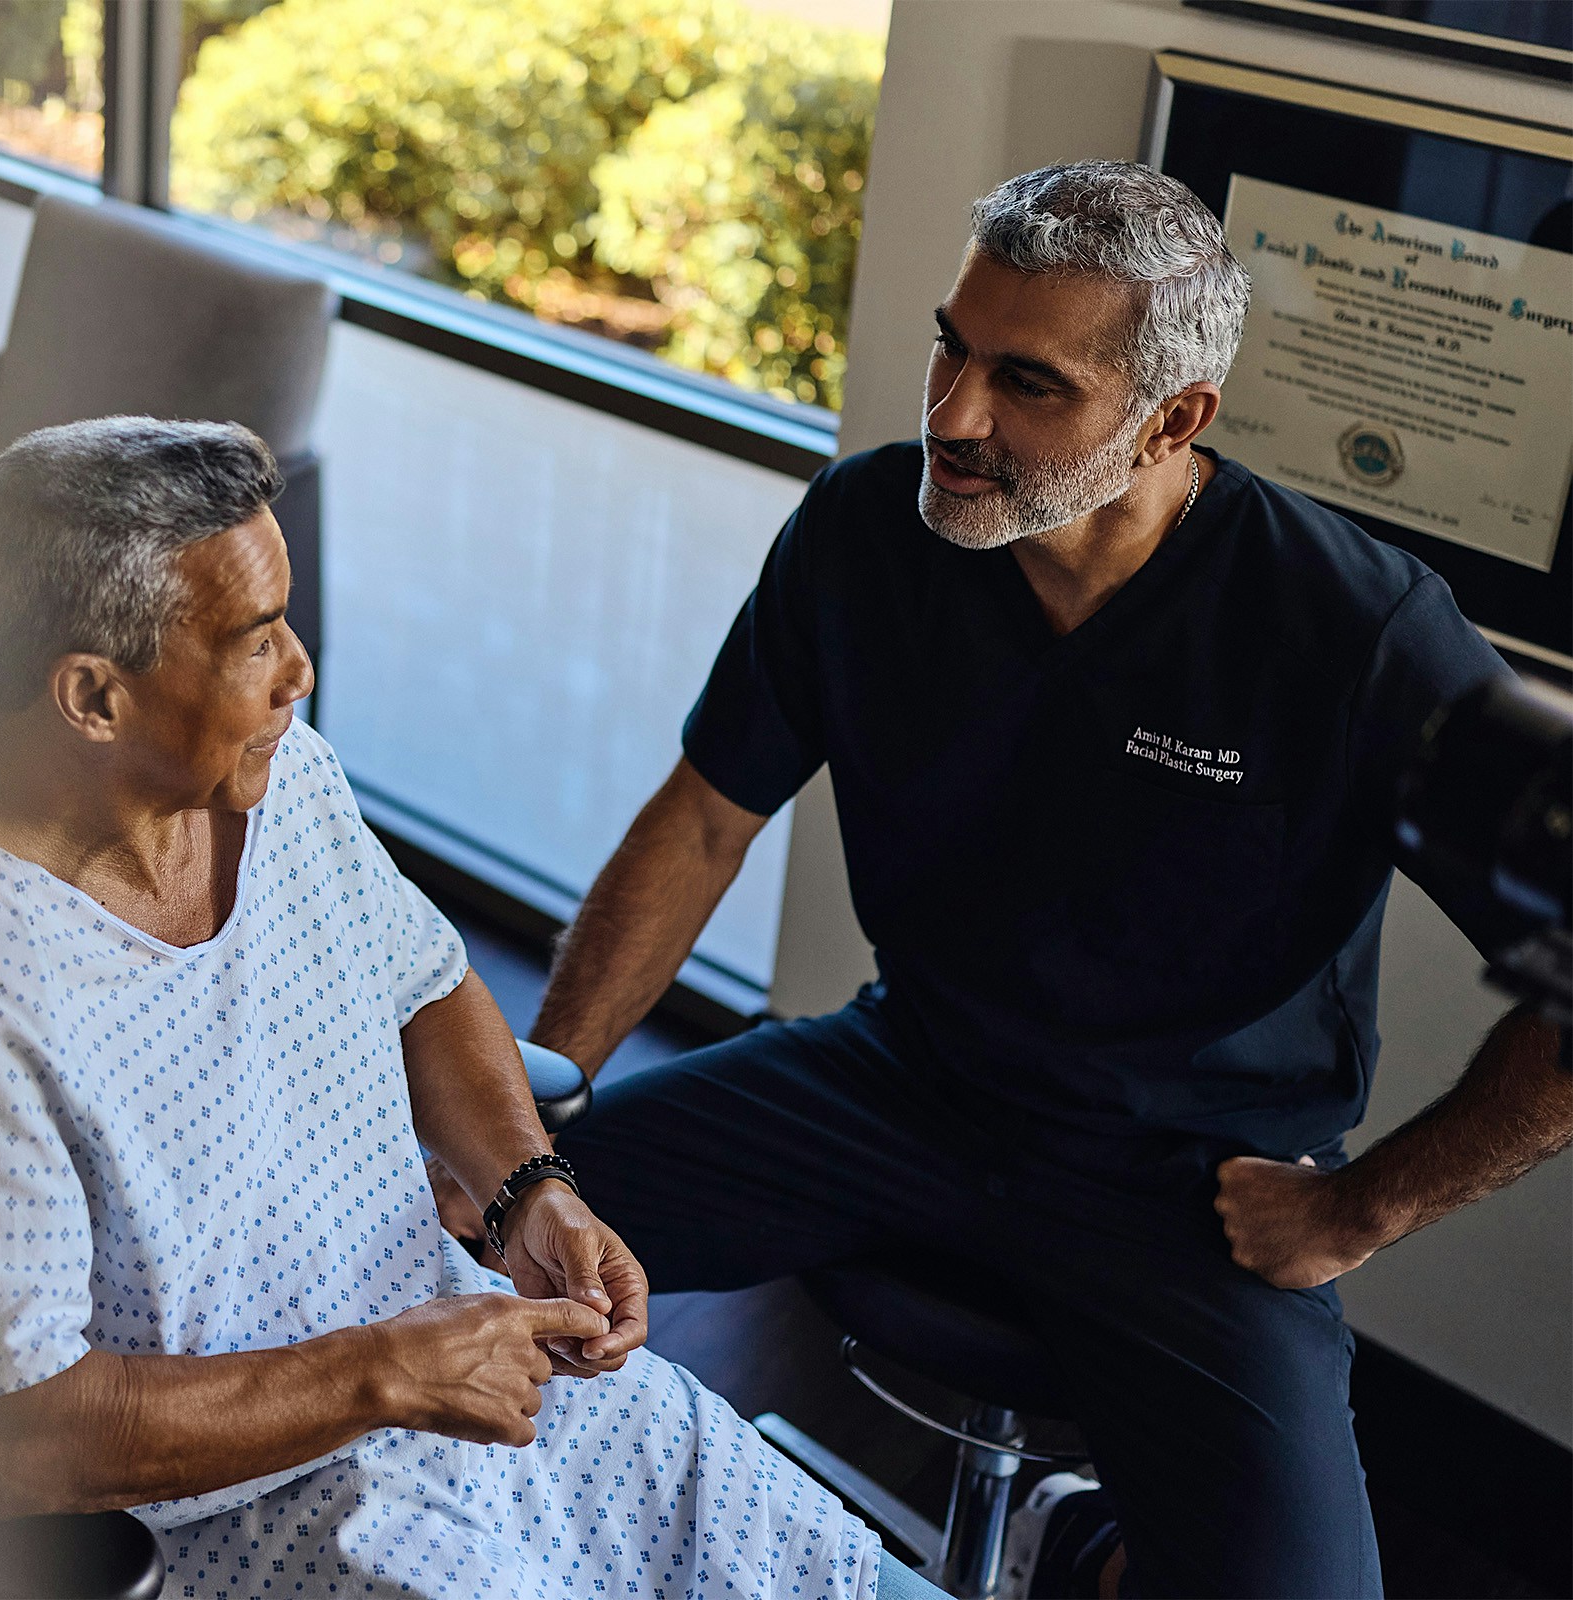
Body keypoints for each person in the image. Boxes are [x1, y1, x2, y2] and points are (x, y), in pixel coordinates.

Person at [498, 162, 1573, 1597]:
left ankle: (1079, 1548)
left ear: (1171, 421)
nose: (952, 415)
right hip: (898, 1080)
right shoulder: (864, 531)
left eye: (1027, 383)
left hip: (1183, 1177)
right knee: (470, 1234)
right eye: (951, 347)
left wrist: (1358, 1210)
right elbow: (703, 819)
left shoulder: (1351, 627)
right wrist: (540, 1101)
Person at [0, 416, 944, 1599]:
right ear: (94, 696)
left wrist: (528, 1191)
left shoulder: (277, 777)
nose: (300, 668)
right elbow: (12, 1444)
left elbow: (425, 984)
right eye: (257, 639)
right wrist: (384, 1374)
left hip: (472, 1361)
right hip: (269, 1508)